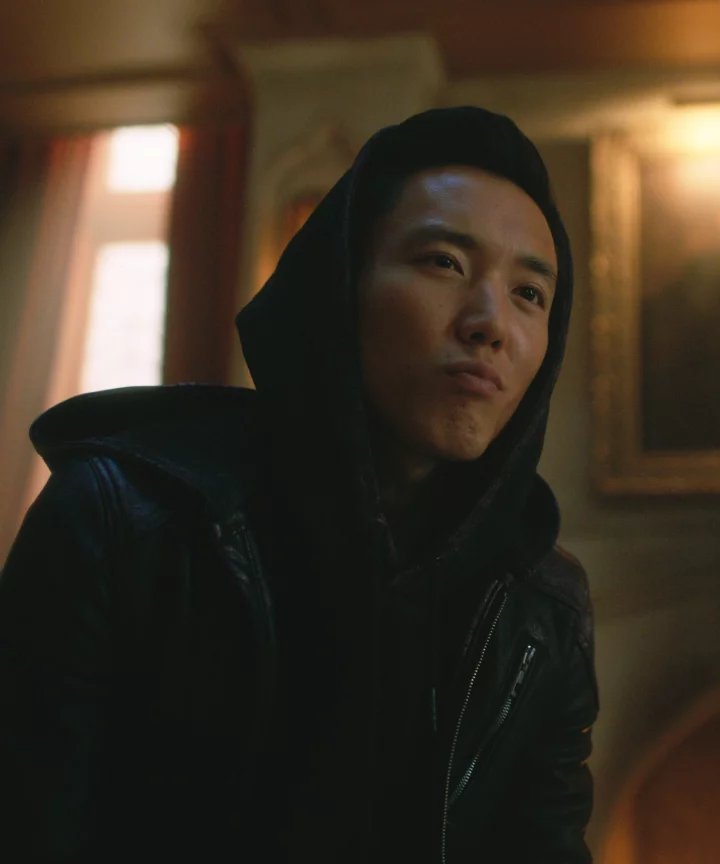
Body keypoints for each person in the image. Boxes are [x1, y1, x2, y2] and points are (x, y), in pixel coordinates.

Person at [0, 107, 598, 863]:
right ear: (339, 285)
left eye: (529, 294)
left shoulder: (541, 610)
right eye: (444, 262)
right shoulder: (119, 520)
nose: (491, 323)